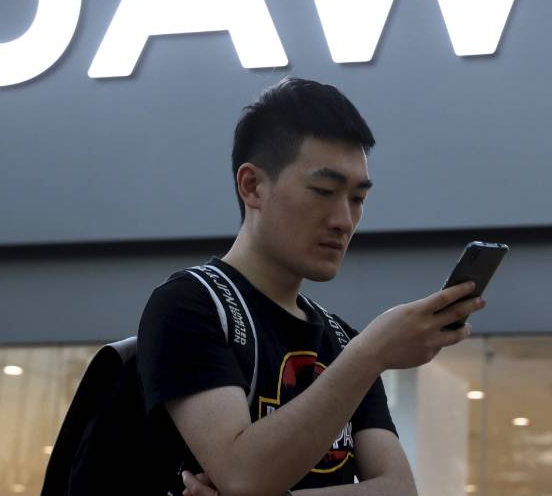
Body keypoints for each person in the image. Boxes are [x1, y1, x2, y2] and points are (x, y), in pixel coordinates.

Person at [137, 77, 486, 495]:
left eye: (358, 199)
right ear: (252, 186)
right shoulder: (192, 304)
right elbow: (243, 474)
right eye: (323, 191)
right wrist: (371, 353)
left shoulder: (340, 339)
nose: (344, 220)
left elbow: (398, 488)